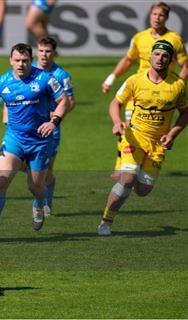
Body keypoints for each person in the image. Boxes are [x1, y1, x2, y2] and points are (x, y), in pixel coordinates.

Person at [0, 43, 67, 241]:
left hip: (40, 142)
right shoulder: (2, 82)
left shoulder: (45, 79)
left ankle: (39, 201)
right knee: (0, 181)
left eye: (25, 60)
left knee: (34, 186)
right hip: (14, 140)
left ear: (31, 61)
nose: (21, 64)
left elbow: (64, 101)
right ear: (10, 61)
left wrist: (54, 121)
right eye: (17, 60)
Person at [98, 40, 188, 236]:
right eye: (157, 54)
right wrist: (116, 122)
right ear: (150, 56)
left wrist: (172, 134)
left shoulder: (178, 85)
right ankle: (106, 221)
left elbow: (185, 112)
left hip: (158, 144)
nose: (160, 58)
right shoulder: (135, 80)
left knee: (143, 190)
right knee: (128, 180)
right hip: (134, 137)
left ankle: (124, 186)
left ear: (170, 59)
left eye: (164, 55)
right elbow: (115, 103)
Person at [101, 2, 188, 178]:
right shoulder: (139, 37)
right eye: (155, 14)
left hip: (164, 91)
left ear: (166, 18)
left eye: (161, 15)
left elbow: (185, 65)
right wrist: (111, 77)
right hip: (139, 90)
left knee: (153, 129)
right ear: (150, 15)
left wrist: (178, 86)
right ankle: (122, 165)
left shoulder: (175, 39)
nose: (157, 18)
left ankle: (143, 165)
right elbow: (128, 60)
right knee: (127, 126)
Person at [31, 36, 75, 216]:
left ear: (54, 53)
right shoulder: (29, 69)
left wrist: (54, 116)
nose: (44, 55)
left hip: (51, 130)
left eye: (48, 51)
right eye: (41, 50)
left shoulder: (62, 76)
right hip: (28, 127)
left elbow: (70, 102)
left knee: (45, 169)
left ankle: (41, 203)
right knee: (25, 167)